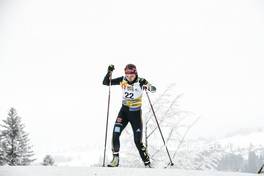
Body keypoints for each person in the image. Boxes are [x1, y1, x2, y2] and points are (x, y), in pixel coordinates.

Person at [103, 64, 156, 168]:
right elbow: (106, 83)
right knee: (115, 133)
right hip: (124, 112)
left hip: (135, 114)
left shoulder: (141, 81)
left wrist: (148, 87)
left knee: (137, 141)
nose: (129, 77)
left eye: (131, 75)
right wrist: (109, 72)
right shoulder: (122, 80)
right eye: (127, 75)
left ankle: (147, 163)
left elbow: (154, 89)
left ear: (135, 73)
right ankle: (115, 159)